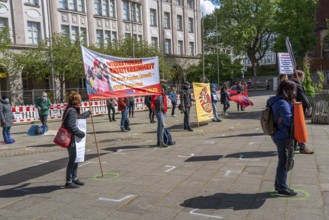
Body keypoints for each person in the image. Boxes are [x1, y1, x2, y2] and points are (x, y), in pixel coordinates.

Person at [267, 80, 297, 196]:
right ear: (287, 90)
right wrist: (295, 109)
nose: (294, 92)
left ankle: (278, 185)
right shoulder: (283, 103)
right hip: (282, 135)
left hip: (277, 134)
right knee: (283, 162)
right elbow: (289, 121)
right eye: (293, 90)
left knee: (282, 161)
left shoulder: (276, 100)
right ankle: (282, 187)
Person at [63, 92, 91, 188]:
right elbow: (70, 125)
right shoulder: (72, 111)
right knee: (73, 159)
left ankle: (74, 178)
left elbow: (78, 118)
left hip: (73, 139)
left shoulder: (72, 109)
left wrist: (88, 113)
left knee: (76, 158)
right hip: (71, 139)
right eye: (79, 100)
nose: (81, 101)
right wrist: (80, 133)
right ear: (76, 101)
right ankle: (69, 181)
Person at [291, 70, 314, 154]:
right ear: (299, 76)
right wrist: (309, 107)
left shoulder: (290, 84)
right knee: (299, 129)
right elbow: (304, 98)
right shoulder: (297, 85)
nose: (303, 79)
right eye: (303, 77)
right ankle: (302, 147)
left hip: (292, 110)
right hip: (298, 110)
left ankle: (294, 146)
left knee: (294, 129)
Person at [152, 81, 168, 147]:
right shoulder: (157, 93)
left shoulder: (162, 94)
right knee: (162, 125)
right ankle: (160, 141)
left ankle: (159, 141)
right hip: (159, 111)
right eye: (162, 84)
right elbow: (154, 100)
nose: (163, 87)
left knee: (160, 126)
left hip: (162, 111)